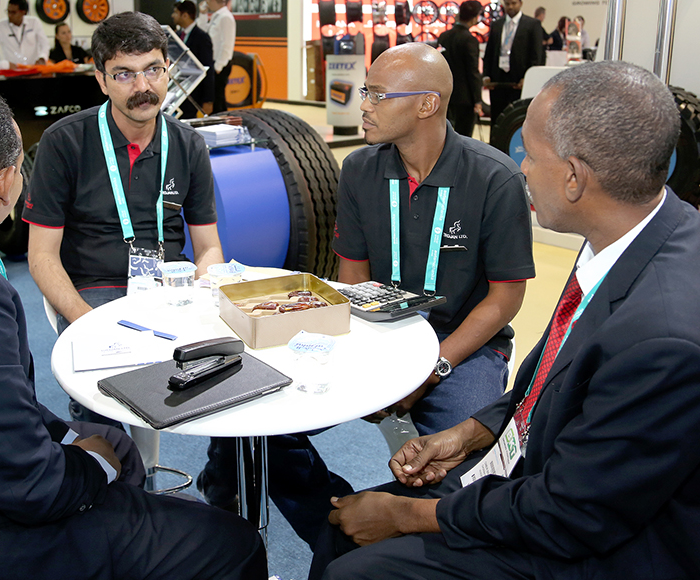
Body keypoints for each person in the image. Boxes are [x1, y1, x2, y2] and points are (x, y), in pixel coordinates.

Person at [0, 88, 266, 580]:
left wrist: (76, 440)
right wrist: (94, 463)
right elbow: (30, 487)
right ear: (5, 181)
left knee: (114, 449)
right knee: (231, 542)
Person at [309, 60, 700, 580]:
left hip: (605, 543)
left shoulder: (664, 339)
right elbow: (555, 384)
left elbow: (569, 514)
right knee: (341, 530)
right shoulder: (635, 235)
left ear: (573, 177)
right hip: (553, 476)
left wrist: (406, 516)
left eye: (529, 153)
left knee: (355, 567)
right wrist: (469, 434)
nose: (521, 168)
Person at [200, 42, 534, 547]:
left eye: (379, 95)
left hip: (462, 348)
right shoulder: (359, 169)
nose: (364, 105)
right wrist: (364, 358)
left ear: (427, 105)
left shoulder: (494, 177)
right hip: (376, 331)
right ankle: (334, 529)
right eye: (365, 92)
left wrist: (431, 368)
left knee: (469, 473)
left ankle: (389, 526)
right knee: (259, 423)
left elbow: (504, 299)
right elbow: (352, 280)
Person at [23, 11, 225, 421]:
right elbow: (41, 255)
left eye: (153, 70)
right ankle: (105, 456)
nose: (143, 87)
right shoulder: (64, 142)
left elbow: (208, 247)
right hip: (93, 293)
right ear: (101, 80)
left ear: (168, 69)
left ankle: (223, 462)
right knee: (104, 397)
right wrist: (84, 320)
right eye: (124, 75)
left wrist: (202, 297)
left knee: (229, 370)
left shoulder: (188, 144)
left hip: (170, 289)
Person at [482, 0, 545, 126]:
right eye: (507, 3)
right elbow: (489, 52)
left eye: (513, 3)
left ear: (520, 3)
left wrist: (528, 77)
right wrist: (486, 74)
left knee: (517, 119)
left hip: (519, 79)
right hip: (498, 79)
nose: (510, 7)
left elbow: (537, 53)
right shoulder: (497, 24)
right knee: (497, 118)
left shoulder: (532, 24)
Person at [437, 0, 483, 136]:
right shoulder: (470, 40)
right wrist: (477, 99)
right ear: (474, 18)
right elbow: (472, 71)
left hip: (444, 93)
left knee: (443, 133)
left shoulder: (444, 36)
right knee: (463, 136)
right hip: (465, 97)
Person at [172, 0, 215, 118]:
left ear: (185, 15)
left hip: (195, 94)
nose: (172, 16)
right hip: (180, 91)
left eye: (176, 13)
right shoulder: (177, 35)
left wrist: (208, 100)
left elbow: (208, 69)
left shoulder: (202, 37)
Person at [205, 0, 236, 113]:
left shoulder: (225, 17)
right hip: (214, 64)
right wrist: (202, 14)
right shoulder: (216, 16)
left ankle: (222, 122)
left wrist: (219, 66)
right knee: (215, 99)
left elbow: (227, 44)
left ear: (213, 0)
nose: (206, 2)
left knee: (218, 100)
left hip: (220, 66)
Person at [0, 0, 50, 66]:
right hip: (12, 69)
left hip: (32, 67)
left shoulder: (34, 22)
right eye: (8, 11)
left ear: (23, 12)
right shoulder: (0, 26)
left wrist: (42, 58)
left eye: (13, 12)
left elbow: (45, 44)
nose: (9, 15)